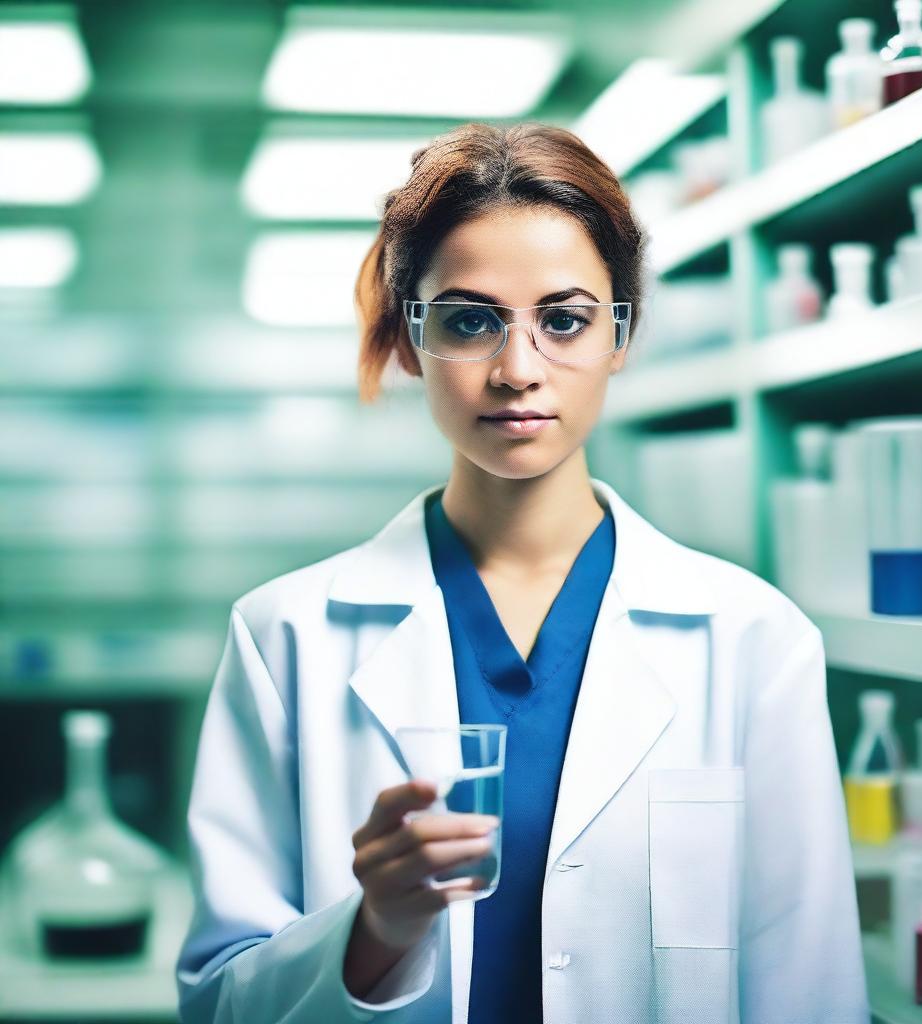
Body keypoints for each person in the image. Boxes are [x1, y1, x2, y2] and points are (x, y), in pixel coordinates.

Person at [175, 121, 870, 1024]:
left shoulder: (752, 637)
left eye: (565, 320)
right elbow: (219, 1004)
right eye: (469, 321)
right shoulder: (286, 635)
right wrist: (374, 930)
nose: (516, 370)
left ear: (620, 334)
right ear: (409, 339)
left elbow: (808, 989)